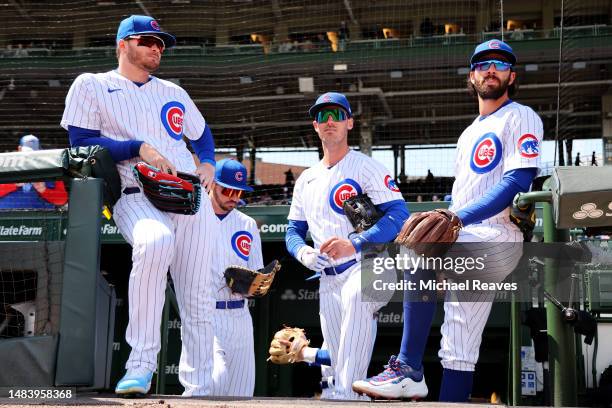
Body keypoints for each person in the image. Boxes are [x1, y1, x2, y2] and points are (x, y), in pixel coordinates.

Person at [352, 39, 542, 402]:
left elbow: (517, 181)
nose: (491, 69)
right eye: (483, 64)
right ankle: (433, 387)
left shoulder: (520, 115)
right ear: (472, 76)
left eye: (500, 64)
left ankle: (408, 368)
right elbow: (463, 195)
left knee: (417, 251)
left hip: (497, 235)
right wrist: (453, 216)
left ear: (511, 76)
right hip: (468, 237)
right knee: (459, 343)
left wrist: (456, 218)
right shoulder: (469, 133)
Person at [60, 15, 218, 397]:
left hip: (189, 195)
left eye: (161, 43)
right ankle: (141, 366)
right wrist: (136, 147)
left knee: (198, 295)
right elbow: (80, 143)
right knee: (154, 242)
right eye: (148, 40)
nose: (156, 48)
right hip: (135, 191)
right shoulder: (92, 85)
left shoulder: (173, 92)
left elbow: (201, 134)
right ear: (123, 44)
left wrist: (208, 162)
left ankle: (199, 389)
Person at [285, 92, 409, 400]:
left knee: (357, 297)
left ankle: (347, 395)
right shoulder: (306, 179)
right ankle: (350, 394)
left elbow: (399, 214)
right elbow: (292, 231)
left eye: (337, 115)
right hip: (328, 276)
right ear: (315, 126)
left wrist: (355, 243)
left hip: (369, 264)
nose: (330, 121)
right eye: (322, 116)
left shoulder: (366, 167)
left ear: (349, 123)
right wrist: (304, 252)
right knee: (339, 360)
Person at [208, 159, 262, 397]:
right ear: (212, 185)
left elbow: (257, 273)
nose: (233, 196)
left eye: (238, 191)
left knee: (242, 393)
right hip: (206, 315)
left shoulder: (247, 224)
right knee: (213, 382)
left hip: (240, 315)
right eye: (227, 189)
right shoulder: (192, 219)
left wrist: (256, 286)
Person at [0, 135, 68, 209]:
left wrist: (44, 190)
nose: (30, 156)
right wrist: (13, 184)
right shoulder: (4, 165)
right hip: (7, 218)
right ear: (19, 149)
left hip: (40, 219)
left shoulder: (51, 168)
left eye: (34, 153)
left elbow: (62, 200)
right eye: (27, 152)